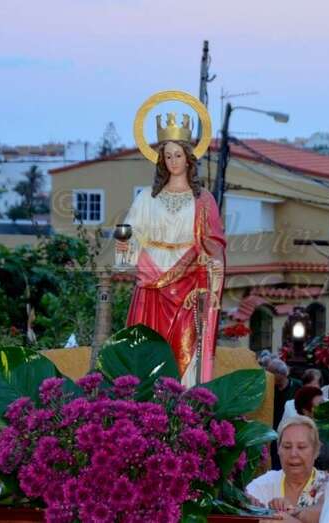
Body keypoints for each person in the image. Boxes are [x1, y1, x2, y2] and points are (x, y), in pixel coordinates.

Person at [119, 107, 225, 386]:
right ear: (160, 160)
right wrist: (125, 242)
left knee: (186, 342)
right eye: (167, 156)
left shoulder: (203, 200)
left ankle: (185, 399)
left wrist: (211, 277)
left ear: (189, 158)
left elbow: (214, 245)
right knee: (149, 340)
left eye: (178, 155)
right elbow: (130, 234)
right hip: (151, 275)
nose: (173, 161)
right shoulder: (146, 198)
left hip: (189, 281)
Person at [246, 416, 329, 512]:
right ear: (278, 450)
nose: (293, 454)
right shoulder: (262, 486)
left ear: (316, 451)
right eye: (287, 447)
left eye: (301, 447)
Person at [269, 359, 302, 470]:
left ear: (280, 374)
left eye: (271, 373)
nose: (268, 376)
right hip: (274, 430)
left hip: (292, 429)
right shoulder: (270, 388)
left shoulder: (297, 386)